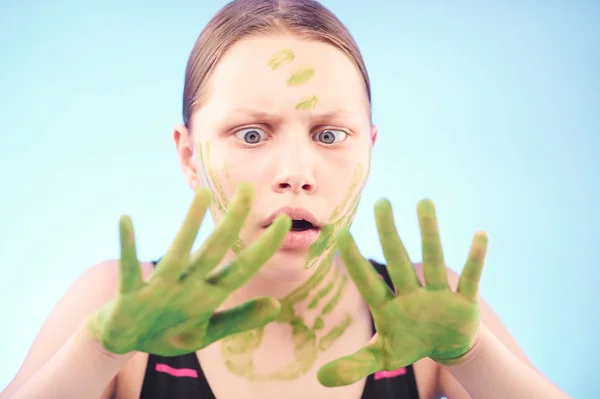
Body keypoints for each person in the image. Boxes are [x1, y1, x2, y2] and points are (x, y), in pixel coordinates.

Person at [1, 1, 570, 398]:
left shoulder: (431, 305)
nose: (296, 173)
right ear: (188, 157)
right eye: (252, 134)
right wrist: (98, 353)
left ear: (369, 149)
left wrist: (473, 358)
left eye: (329, 135)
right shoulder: (115, 302)